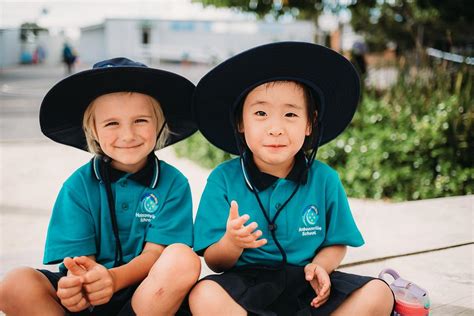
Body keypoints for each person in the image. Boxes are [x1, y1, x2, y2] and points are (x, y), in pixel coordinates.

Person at [189, 42, 394, 315]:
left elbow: (337, 242)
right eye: (261, 113)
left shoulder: (324, 179)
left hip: (306, 283)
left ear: (310, 123)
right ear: (240, 122)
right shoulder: (223, 180)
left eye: (291, 114)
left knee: (379, 293)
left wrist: (321, 265)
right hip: (247, 284)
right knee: (204, 295)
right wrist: (231, 242)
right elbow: (215, 261)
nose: (276, 128)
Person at [0, 57, 201, 315]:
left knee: (182, 258)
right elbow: (78, 262)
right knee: (15, 284)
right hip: (90, 291)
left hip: (146, 294)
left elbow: (155, 255)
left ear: (160, 123)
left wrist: (114, 279)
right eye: (112, 123)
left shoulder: (173, 183)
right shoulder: (77, 186)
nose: (128, 135)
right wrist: (77, 287)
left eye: (140, 120)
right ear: (92, 130)